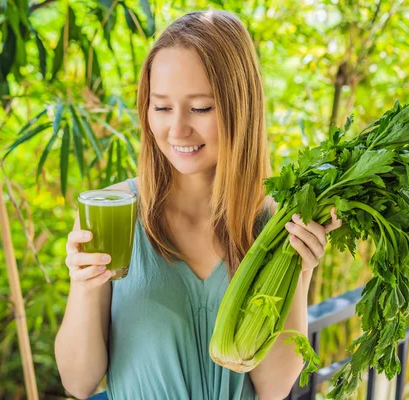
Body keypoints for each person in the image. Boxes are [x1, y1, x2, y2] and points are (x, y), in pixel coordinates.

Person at [54, 10, 342, 400]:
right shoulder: (113, 211)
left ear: (240, 108)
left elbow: (273, 389)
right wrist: (84, 289)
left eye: (201, 108)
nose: (177, 129)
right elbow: (78, 382)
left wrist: (299, 271)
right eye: (161, 107)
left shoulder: (274, 223)